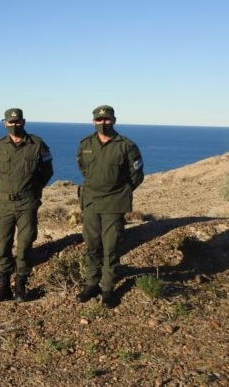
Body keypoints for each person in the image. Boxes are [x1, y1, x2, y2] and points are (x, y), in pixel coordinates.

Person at [76, 105, 144, 308]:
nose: (103, 123)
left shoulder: (126, 145)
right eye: (99, 120)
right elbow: (82, 167)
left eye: (107, 120)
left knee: (111, 246)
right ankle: (91, 283)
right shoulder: (85, 144)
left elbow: (137, 174)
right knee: (92, 243)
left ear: (113, 120)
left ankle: (107, 288)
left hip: (114, 203)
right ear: (93, 121)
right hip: (91, 202)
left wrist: (121, 192)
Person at [0, 108, 53, 302]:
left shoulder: (37, 144)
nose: (14, 126)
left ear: (23, 122)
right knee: (4, 244)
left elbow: (47, 170)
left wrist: (34, 187)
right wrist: (6, 187)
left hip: (27, 203)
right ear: (4, 123)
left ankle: (21, 284)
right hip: (5, 204)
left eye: (17, 122)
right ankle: (3, 285)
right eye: (10, 122)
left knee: (24, 244)